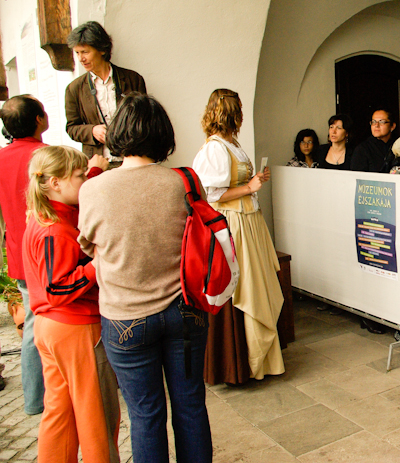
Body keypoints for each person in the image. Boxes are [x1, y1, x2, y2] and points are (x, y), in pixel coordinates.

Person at [78, 94, 212, 462]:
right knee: (190, 405)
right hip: (185, 310)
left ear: (117, 133)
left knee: (146, 414)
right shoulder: (184, 182)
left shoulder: (93, 189)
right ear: (164, 135)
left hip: (126, 318)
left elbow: (89, 248)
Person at [22, 145, 120, 463]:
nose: (84, 181)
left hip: (51, 328)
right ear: (55, 183)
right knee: (97, 418)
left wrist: (92, 172)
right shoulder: (55, 230)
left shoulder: (44, 216)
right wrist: (97, 264)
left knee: (60, 414)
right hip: (75, 328)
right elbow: (58, 287)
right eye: (80, 176)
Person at [193, 89, 285, 384]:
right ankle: (247, 361)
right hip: (234, 223)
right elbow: (212, 194)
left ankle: (263, 357)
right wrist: (249, 188)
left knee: (258, 282)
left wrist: (254, 181)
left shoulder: (232, 144)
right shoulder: (215, 148)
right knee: (247, 285)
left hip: (249, 220)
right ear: (233, 114)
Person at [0, 95, 48, 415]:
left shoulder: (1, 159)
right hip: (53, 251)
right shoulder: (47, 156)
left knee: (32, 324)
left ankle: (33, 399)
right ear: (39, 120)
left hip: (19, 253)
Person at [65, 21, 147, 162]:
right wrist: (92, 131)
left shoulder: (133, 79)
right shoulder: (74, 88)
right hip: (99, 163)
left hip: (132, 159)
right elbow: (71, 128)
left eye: (85, 52)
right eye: (77, 53)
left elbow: (146, 120)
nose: (80, 59)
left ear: (102, 49)